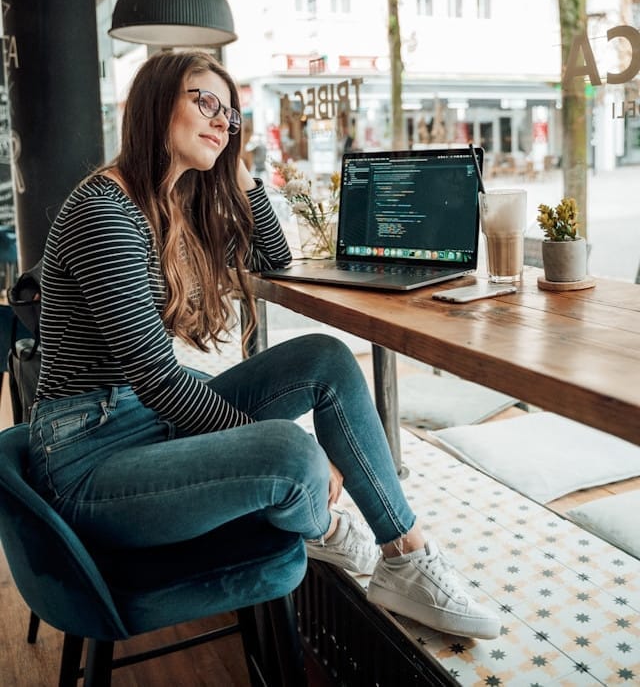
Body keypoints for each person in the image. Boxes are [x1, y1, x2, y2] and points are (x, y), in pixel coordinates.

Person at [27, 50, 500, 640]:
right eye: (204, 102)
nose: (223, 121)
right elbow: (158, 379)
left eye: (231, 113)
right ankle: (321, 525)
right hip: (89, 460)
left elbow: (274, 259)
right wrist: (287, 448)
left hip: (143, 424)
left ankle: (404, 555)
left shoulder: (168, 203)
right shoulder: (104, 210)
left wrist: (239, 171)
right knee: (290, 454)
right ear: (153, 105)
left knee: (324, 360)